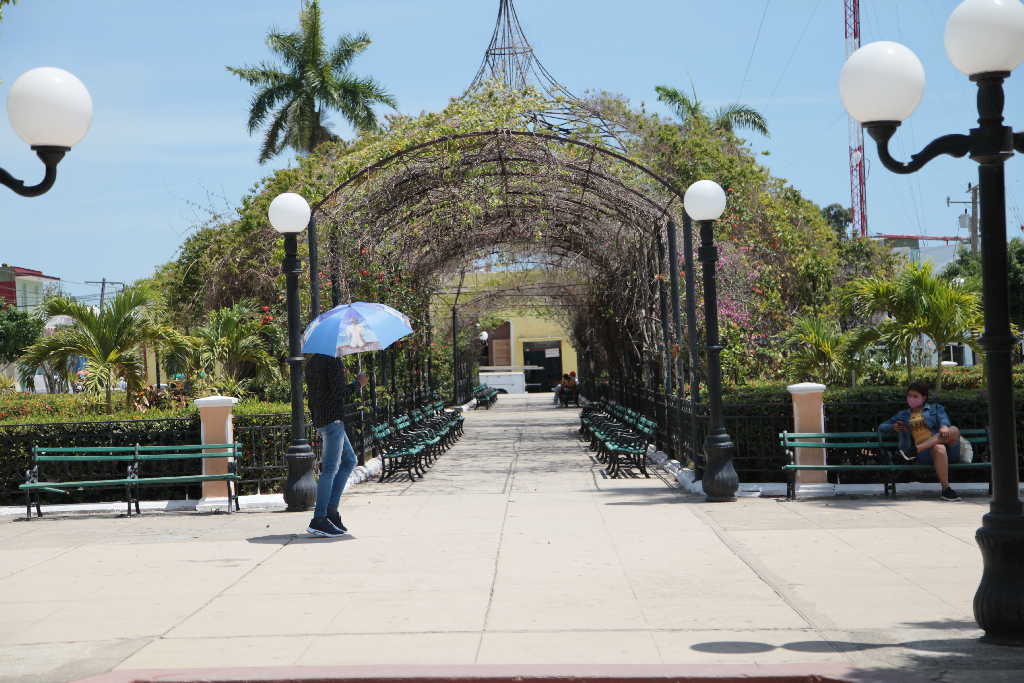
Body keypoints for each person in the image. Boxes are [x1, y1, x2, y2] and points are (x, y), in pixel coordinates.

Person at [305, 353, 369, 537]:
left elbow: (320, 392)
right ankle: (319, 519)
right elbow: (339, 392)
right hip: (333, 421)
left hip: (324, 420)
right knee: (330, 470)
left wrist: (340, 374)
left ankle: (331, 511)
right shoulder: (332, 360)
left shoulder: (313, 362)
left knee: (349, 460)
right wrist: (358, 383)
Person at [879, 381, 962, 502]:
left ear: (924, 397)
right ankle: (946, 490)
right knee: (938, 447)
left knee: (954, 429)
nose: (911, 399)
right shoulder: (904, 415)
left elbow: (944, 420)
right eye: (909, 396)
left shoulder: (936, 409)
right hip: (927, 454)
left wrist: (944, 426)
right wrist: (893, 427)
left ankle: (913, 451)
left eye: (915, 396)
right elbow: (882, 427)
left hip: (949, 450)